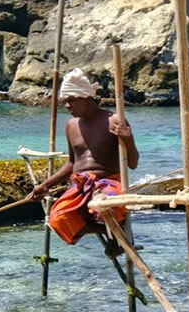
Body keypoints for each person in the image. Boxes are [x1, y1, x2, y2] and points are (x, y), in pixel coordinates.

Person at [29, 68, 139, 247]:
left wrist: (128, 138)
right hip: (80, 185)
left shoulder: (114, 121)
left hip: (108, 182)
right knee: (57, 219)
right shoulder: (71, 126)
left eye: (71, 100)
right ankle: (110, 231)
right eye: (65, 101)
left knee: (107, 207)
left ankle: (114, 233)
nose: (67, 106)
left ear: (85, 97)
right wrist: (46, 185)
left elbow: (132, 163)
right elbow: (72, 163)